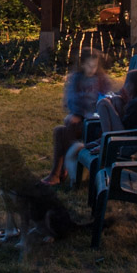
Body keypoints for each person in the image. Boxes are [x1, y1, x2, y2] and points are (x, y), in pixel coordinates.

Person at [62, 68, 137, 184]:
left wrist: (118, 108)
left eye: (127, 83)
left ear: (133, 85)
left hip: (127, 143)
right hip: (130, 138)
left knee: (103, 103)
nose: (125, 86)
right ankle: (103, 140)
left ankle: (105, 143)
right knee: (116, 100)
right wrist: (121, 103)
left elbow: (125, 124)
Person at [42, 50, 114, 186]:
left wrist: (84, 115)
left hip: (96, 124)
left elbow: (106, 101)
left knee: (63, 131)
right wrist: (76, 113)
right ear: (82, 64)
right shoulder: (76, 78)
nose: (92, 69)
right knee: (60, 130)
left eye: (95, 66)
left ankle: (63, 171)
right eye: (89, 65)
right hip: (82, 119)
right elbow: (71, 99)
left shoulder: (102, 80)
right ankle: (58, 172)